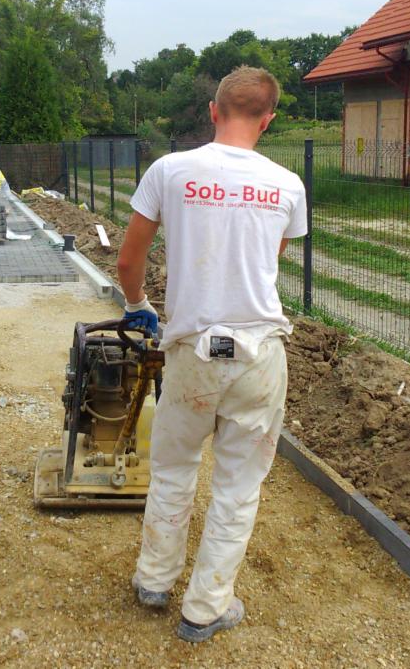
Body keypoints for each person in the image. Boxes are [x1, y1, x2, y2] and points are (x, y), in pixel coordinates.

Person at [116, 66, 308, 643]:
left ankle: (154, 579)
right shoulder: (288, 184)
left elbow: (128, 261)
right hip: (258, 353)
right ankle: (205, 608)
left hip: (192, 352)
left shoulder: (170, 171)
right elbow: (268, 260)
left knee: (173, 466)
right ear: (268, 120)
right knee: (237, 486)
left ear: (213, 110)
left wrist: (139, 306)